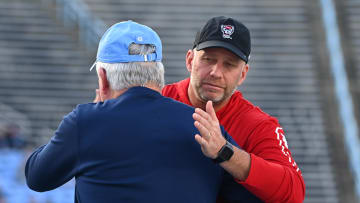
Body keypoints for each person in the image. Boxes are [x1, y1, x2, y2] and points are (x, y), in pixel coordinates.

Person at [25, 20, 253, 203]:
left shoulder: (85, 122)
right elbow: (249, 194)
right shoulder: (204, 128)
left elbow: (37, 177)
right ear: (158, 73)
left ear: (103, 77)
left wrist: (91, 118)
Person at [162, 16, 306, 202]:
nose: (216, 72)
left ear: (243, 74)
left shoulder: (258, 125)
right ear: (190, 60)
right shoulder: (159, 99)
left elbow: (293, 192)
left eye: (229, 64)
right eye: (208, 59)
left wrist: (224, 151)